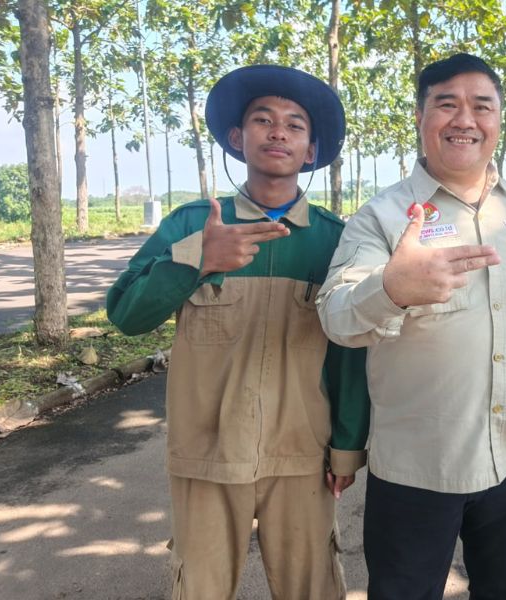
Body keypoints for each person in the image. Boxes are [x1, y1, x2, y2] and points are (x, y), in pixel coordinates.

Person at [316, 53, 506, 600]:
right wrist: (392, 288)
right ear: (420, 116)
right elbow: (336, 316)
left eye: (482, 106)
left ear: (498, 119)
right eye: (446, 104)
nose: (465, 119)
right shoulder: (383, 217)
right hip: (419, 466)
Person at [106, 65, 368, 600]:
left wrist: (347, 446)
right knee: (199, 588)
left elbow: (349, 354)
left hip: (302, 454)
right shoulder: (191, 224)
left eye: (295, 125)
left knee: (312, 587)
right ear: (236, 137)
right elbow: (127, 314)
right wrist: (196, 258)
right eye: (262, 120)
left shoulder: (335, 241)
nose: (278, 132)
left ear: (311, 151)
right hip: (207, 450)